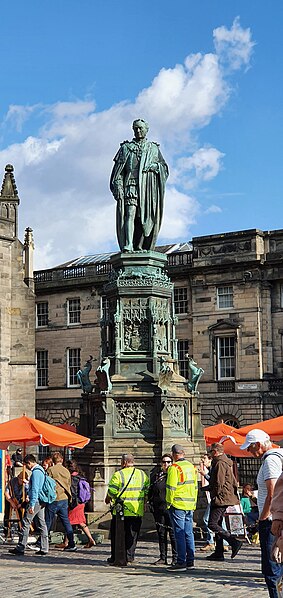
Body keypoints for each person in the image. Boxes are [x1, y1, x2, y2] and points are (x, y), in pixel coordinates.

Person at [110, 118, 169, 252]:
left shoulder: (153, 148)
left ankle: (140, 245)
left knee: (145, 218)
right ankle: (129, 244)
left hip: (147, 189)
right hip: (130, 185)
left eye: (140, 128)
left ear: (146, 130)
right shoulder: (125, 148)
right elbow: (118, 172)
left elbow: (164, 168)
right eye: (135, 128)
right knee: (130, 214)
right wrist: (118, 187)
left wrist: (155, 167)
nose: (138, 130)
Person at [241, 429, 283, 597]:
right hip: (276, 519)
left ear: (257, 444)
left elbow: (273, 493)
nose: (249, 452)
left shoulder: (270, 460)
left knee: (272, 568)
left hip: (272, 521)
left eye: (250, 448)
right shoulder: (277, 457)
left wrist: (263, 518)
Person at [105, 453, 149, 565]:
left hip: (121, 511)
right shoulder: (142, 474)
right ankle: (130, 556)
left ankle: (116, 556)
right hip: (136, 510)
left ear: (124, 462)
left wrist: (114, 498)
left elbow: (112, 491)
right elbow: (146, 491)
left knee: (118, 535)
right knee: (132, 536)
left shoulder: (118, 475)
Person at [205, 443, 242, 562]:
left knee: (212, 524)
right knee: (218, 524)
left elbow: (219, 483)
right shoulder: (224, 462)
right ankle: (218, 552)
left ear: (215, 452)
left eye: (211, 452)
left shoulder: (220, 463)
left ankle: (233, 541)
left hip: (221, 498)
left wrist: (214, 494)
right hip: (223, 496)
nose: (210, 454)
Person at [165, 444, 198, 572]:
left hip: (178, 504)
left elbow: (170, 488)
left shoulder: (174, 468)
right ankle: (190, 560)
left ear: (173, 454)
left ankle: (181, 562)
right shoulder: (191, 467)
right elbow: (195, 486)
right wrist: (194, 502)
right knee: (188, 533)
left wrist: (169, 503)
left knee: (179, 533)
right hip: (190, 504)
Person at [8, 454, 49, 556]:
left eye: (26, 465)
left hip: (36, 501)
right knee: (42, 523)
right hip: (42, 500)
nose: (26, 467)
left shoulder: (35, 473)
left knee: (26, 522)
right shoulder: (41, 470)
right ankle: (45, 547)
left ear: (29, 463)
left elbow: (35, 489)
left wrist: (31, 505)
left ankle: (21, 547)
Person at [55, 459, 95, 549]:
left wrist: (70, 502)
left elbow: (72, 492)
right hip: (81, 502)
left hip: (75, 503)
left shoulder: (72, 478)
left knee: (69, 521)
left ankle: (67, 542)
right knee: (79, 521)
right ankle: (89, 539)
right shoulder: (80, 476)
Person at [148, 453, 177, 565]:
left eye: (168, 462)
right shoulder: (156, 475)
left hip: (170, 507)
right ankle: (163, 557)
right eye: (164, 462)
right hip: (158, 508)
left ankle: (175, 558)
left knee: (172, 534)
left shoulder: (173, 475)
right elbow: (151, 490)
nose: (166, 464)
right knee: (161, 533)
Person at [45, 451, 77, 552]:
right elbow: (69, 484)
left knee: (48, 521)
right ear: (62, 460)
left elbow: (47, 484)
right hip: (64, 498)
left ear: (53, 460)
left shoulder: (51, 470)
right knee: (66, 522)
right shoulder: (66, 471)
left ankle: (42, 542)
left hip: (54, 498)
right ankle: (71, 543)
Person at [199, 454, 215, 552]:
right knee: (218, 521)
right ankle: (224, 543)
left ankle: (211, 542)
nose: (203, 461)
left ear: (210, 459)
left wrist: (204, 474)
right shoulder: (211, 468)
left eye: (204, 458)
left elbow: (213, 481)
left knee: (207, 519)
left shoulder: (213, 468)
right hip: (212, 498)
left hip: (214, 498)